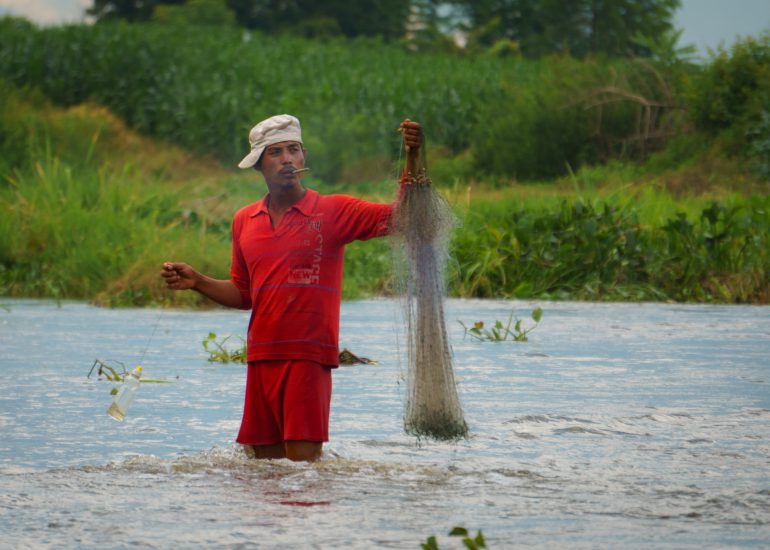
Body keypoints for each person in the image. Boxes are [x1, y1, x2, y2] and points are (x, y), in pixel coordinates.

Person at [161, 114, 423, 462]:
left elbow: (404, 218)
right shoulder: (244, 220)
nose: (287, 159)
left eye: (294, 150)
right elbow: (244, 294)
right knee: (262, 476)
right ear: (259, 166)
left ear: (303, 158)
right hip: (260, 360)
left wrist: (413, 156)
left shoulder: (333, 211)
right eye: (275, 152)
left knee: (303, 474)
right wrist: (199, 282)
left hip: (307, 359)